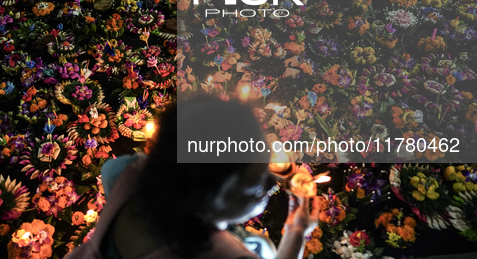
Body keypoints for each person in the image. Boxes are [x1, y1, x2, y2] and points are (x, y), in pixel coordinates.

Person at [66, 94, 319, 259]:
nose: (267, 185)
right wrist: (296, 231)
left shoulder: (125, 172)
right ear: (217, 197)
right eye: (255, 184)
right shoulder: (227, 255)